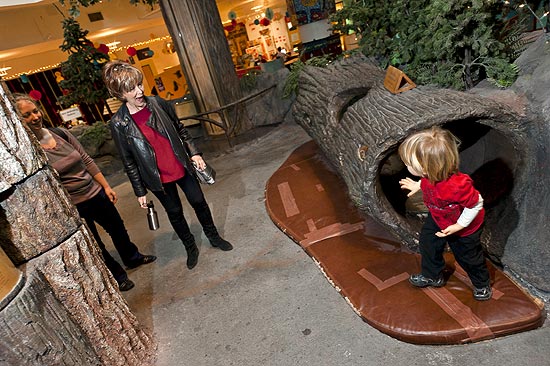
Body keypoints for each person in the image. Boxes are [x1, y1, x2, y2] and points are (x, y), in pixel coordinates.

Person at [14, 94, 156, 292]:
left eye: (35, 111)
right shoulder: (31, 152)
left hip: (95, 192)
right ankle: (117, 275)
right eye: (26, 115)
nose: (35, 117)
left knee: (117, 229)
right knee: (95, 243)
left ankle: (132, 258)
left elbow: (86, 159)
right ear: (17, 120)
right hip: (74, 204)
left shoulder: (60, 134)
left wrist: (105, 186)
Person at [102, 60, 233, 271]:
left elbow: (181, 130)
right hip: (157, 177)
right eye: (131, 89)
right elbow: (129, 161)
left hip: (180, 165)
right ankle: (190, 247)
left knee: (198, 201)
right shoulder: (119, 123)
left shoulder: (158, 103)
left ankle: (214, 237)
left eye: (139, 85)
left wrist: (195, 153)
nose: (139, 91)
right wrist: (139, 191)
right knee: (174, 212)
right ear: (120, 94)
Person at [398, 126, 492, 301]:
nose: (406, 166)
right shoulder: (430, 175)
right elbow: (428, 182)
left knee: (468, 257)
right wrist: (418, 186)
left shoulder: (457, 186)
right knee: (428, 244)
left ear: (428, 167)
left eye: (409, 164)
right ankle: (432, 275)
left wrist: (459, 226)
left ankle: (482, 283)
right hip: (438, 217)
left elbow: (476, 203)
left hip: (463, 227)